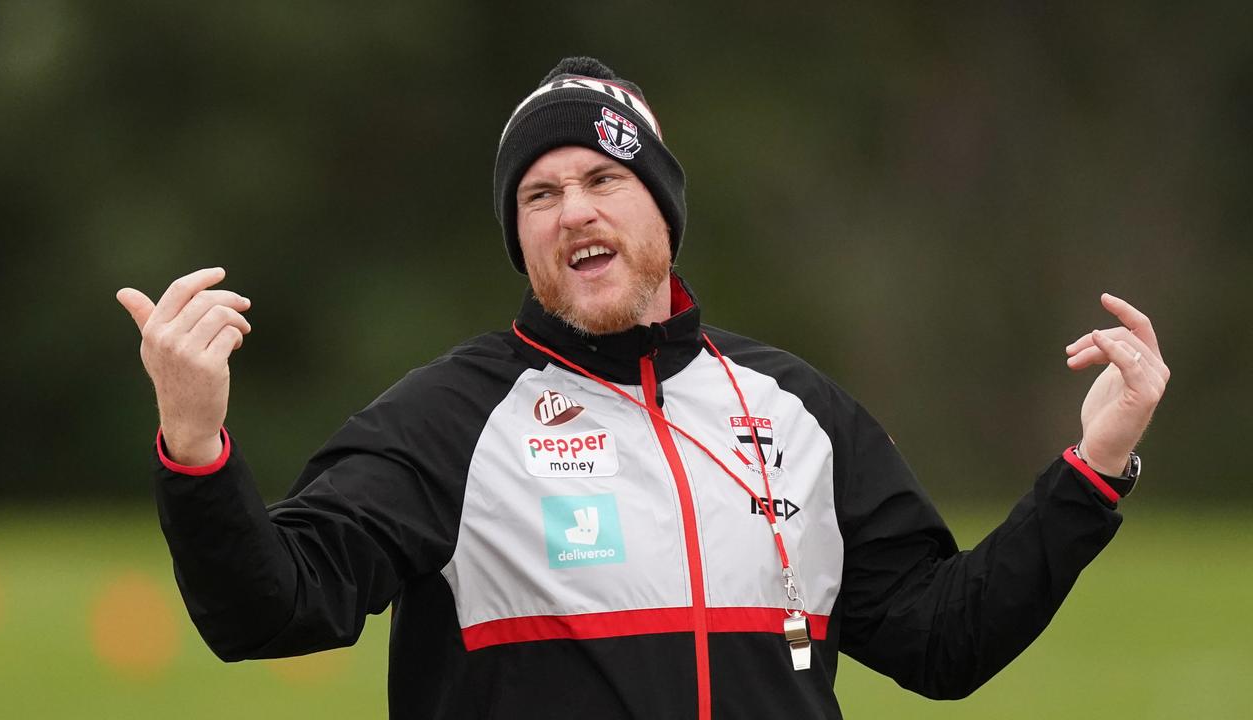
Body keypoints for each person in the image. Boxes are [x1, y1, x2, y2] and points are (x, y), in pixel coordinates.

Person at [117, 57, 1169, 719]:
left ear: (661, 208)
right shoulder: (450, 419)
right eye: (539, 193)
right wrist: (196, 445)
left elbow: (943, 643)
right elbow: (270, 611)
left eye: (602, 179)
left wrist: (1093, 467)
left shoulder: (799, 411)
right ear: (517, 236)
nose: (573, 210)